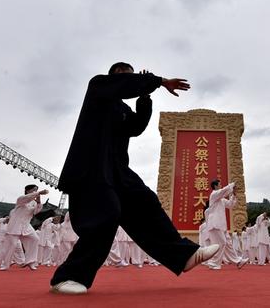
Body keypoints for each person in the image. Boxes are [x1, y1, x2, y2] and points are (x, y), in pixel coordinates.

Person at [50, 63, 218, 294]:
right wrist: (158, 81)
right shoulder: (98, 87)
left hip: (118, 170)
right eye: (124, 75)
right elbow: (124, 85)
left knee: (145, 201)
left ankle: (184, 255)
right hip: (91, 166)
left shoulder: (122, 110)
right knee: (106, 214)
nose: (129, 78)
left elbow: (136, 127)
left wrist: (145, 96)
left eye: (132, 76)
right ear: (114, 77)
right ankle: (68, 277)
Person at [0, 184, 48, 271]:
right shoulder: (21, 199)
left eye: (36, 190)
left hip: (26, 225)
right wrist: (39, 193)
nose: (35, 192)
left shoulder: (34, 203)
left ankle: (30, 261)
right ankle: (5, 264)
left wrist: (39, 202)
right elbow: (27, 198)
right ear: (27, 191)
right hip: (15, 226)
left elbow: (36, 212)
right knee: (12, 245)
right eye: (34, 190)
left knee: (35, 239)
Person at [205, 180, 245, 269]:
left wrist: (233, 195)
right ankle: (213, 263)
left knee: (228, 243)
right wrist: (232, 185)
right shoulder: (214, 195)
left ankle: (238, 261)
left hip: (222, 225)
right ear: (215, 186)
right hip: (215, 223)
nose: (221, 185)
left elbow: (231, 205)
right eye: (219, 184)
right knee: (222, 242)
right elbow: (223, 191)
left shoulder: (221, 199)